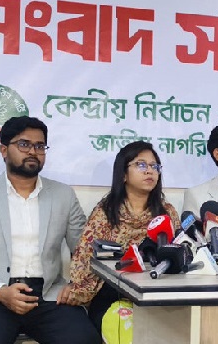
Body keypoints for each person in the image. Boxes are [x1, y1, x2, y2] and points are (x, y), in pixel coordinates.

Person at [0, 116, 99, 344]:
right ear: (4, 150)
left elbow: (84, 251)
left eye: (40, 146)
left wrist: (78, 285)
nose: (33, 151)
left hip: (48, 295)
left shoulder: (63, 195)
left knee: (84, 339)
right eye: (24, 144)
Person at [62, 141, 179, 332]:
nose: (149, 171)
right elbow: (85, 256)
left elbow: (177, 255)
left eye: (154, 166)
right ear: (123, 174)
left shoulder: (167, 213)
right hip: (112, 292)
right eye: (141, 165)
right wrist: (78, 288)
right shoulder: (106, 212)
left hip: (156, 294)